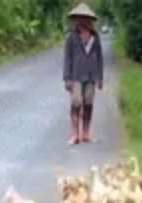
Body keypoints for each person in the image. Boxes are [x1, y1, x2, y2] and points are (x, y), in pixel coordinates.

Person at [63, 3, 104, 145]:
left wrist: (100, 78)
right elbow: (67, 58)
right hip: (76, 75)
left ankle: (86, 133)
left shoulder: (95, 37)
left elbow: (99, 57)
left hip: (91, 76)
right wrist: (67, 78)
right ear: (77, 19)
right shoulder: (72, 37)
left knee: (88, 103)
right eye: (81, 18)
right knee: (76, 102)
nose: (84, 21)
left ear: (90, 20)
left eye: (86, 18)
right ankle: (75, 134)